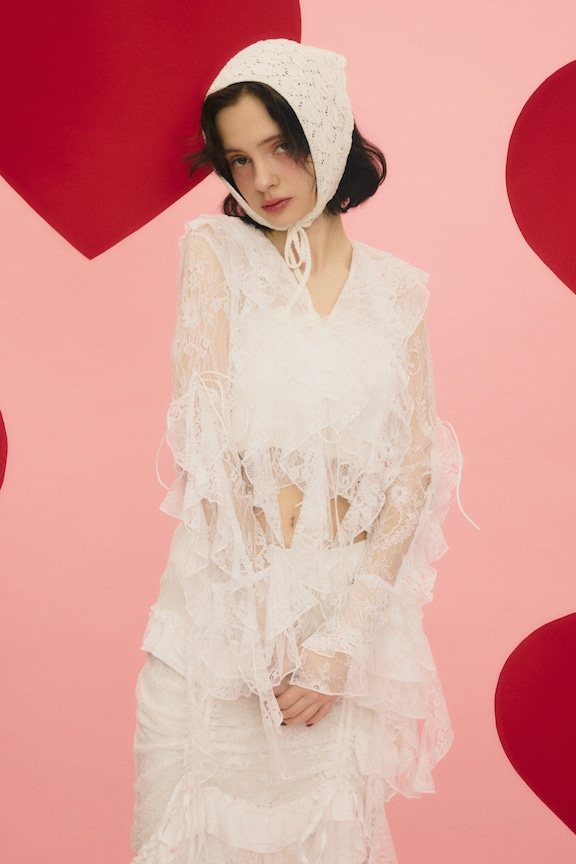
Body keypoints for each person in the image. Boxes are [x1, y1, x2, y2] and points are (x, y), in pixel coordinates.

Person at [131, 38, 460, 864]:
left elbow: (415, 468)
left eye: (282, 147)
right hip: (220, 618)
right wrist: (258, 620)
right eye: (240, 160)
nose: (263, 179)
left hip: (336, 625)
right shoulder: (216, 253)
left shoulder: (397, 290)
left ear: (326, 132)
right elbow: (205, 440)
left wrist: (343, 642)